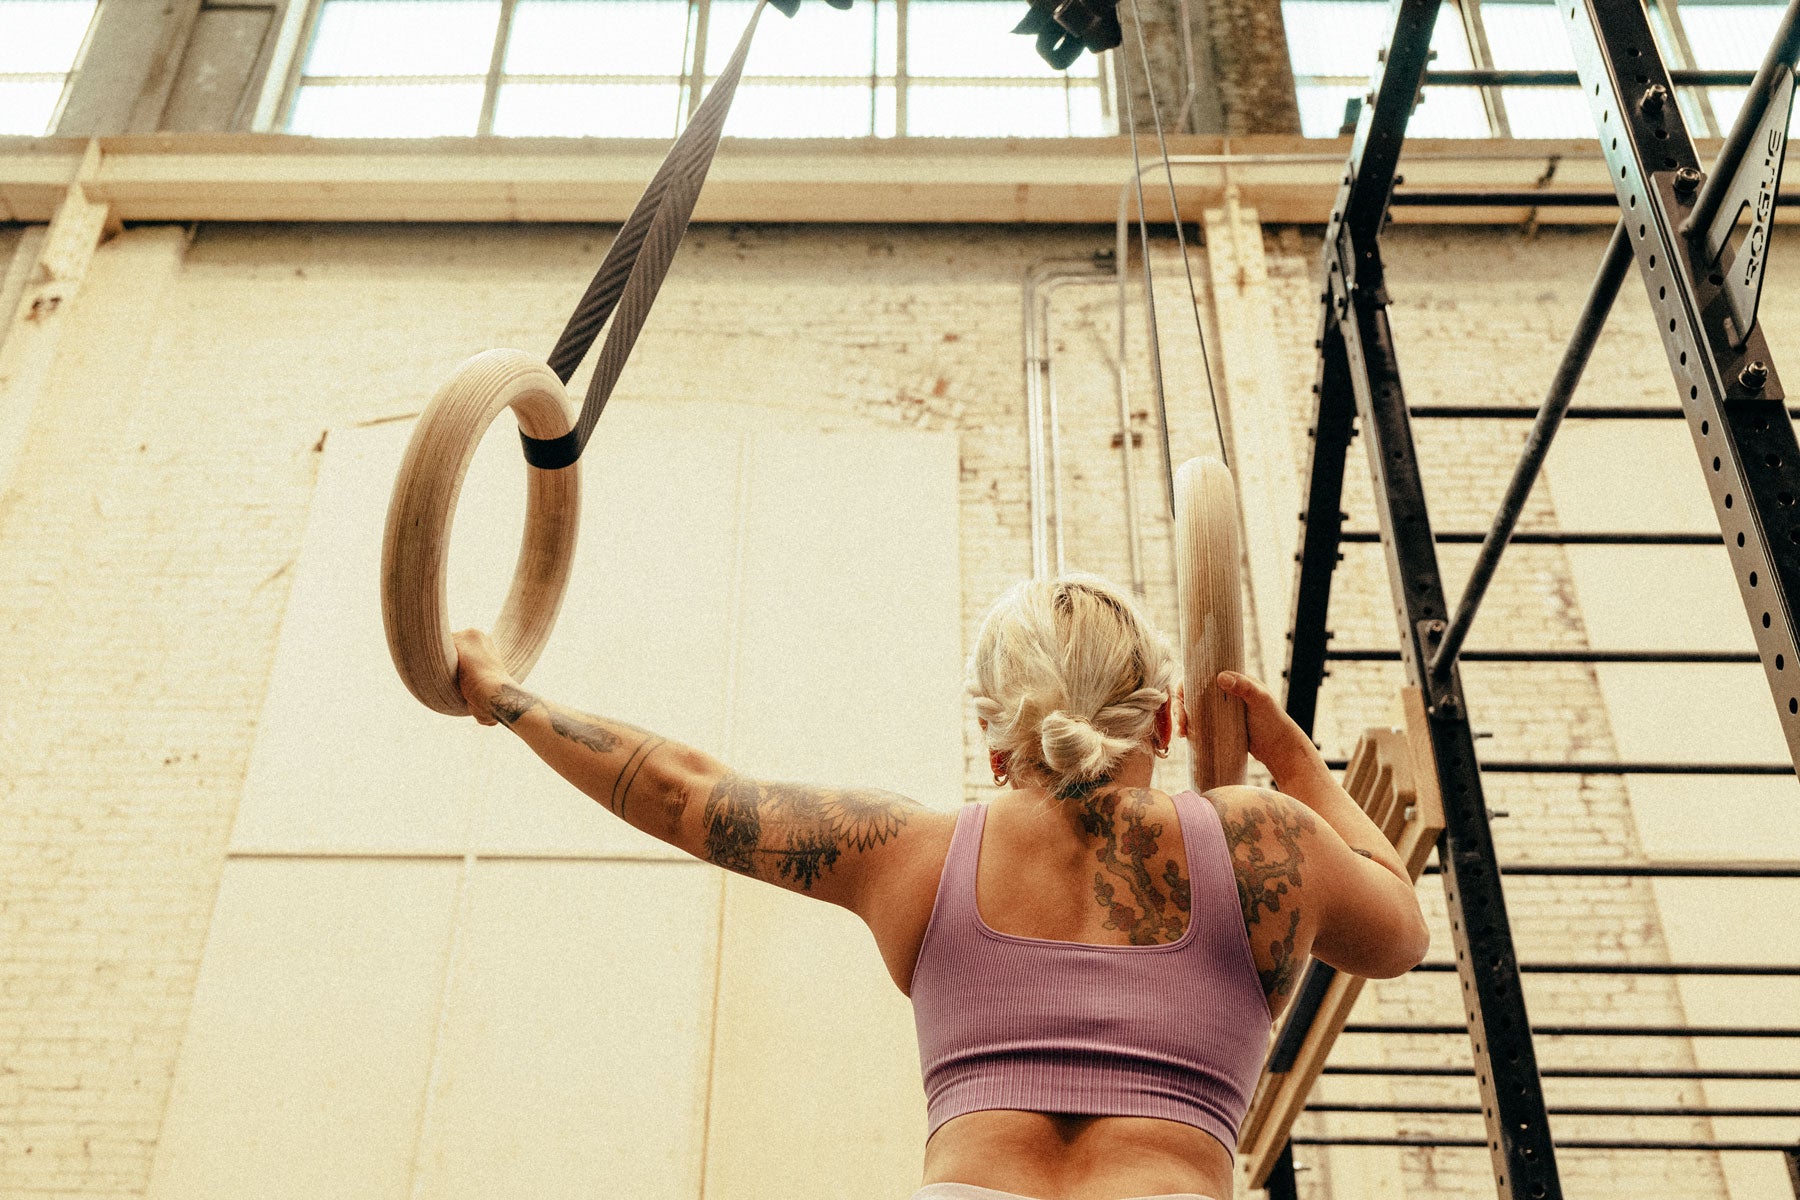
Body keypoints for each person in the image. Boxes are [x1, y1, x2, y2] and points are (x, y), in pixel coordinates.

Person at [452, 571, 1430, 1200]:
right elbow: (1399, 934)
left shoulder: (912, 852)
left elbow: (680, 790)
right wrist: (1300, 768)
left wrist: (503, 695)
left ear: (992, 738)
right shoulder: (1267, 839)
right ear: (1168, 721)